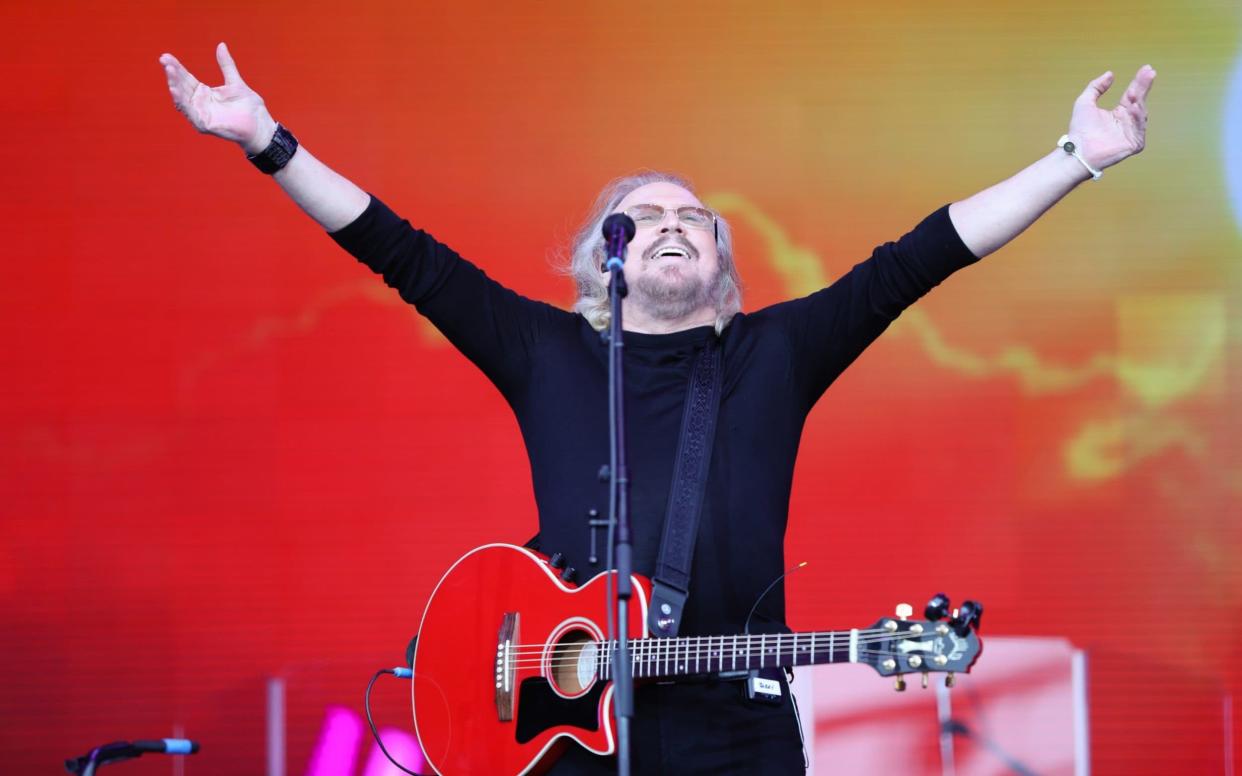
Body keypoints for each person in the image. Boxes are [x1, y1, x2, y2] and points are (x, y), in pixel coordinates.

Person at [159, 43, 1155, 775]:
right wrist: (267, 142)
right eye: (650, 216)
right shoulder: (546, 352)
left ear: (721, 264)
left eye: (695, 219)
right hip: (563, 721)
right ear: (608, 255)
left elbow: (922, 256)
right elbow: (400, 253)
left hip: (737, 725)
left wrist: (1077, 155)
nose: (674, 225)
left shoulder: (773, 353)